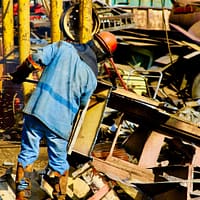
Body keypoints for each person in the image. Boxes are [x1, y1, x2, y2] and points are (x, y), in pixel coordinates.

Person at [10, 29, 117, 200]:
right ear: (103, 56)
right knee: (59, 163)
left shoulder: (63, 47)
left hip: (37, 110)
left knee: (27, 154)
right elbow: (83, 103)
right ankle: (59, 196)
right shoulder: (92, 78)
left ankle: (23, 194)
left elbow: (35, 58)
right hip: (60, 123)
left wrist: (20, 74)